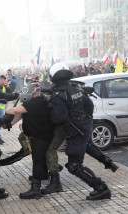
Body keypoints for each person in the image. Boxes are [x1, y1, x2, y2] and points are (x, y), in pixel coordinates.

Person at [43, 63, 111, 200]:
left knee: (74, 165)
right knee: (81, 153)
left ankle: (101, 188)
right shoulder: (75, 88)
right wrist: (85, 119)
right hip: (83, 127)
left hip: (76, 130)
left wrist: (49, 109)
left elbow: (58, 118)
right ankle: (106, 166)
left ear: (54, 77)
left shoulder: (59, 94)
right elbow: (89, 105)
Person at [5, 80, 53, 199]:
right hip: (39, 136)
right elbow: (20, 115)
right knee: (39, 159)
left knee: (37, 160)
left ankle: (35, 189)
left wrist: (5, 112)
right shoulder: (33, 102)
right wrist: (10, 124)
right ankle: (43, 177)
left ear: (33, 92)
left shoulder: (37, 102)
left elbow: (16, 110)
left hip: (41, 137)